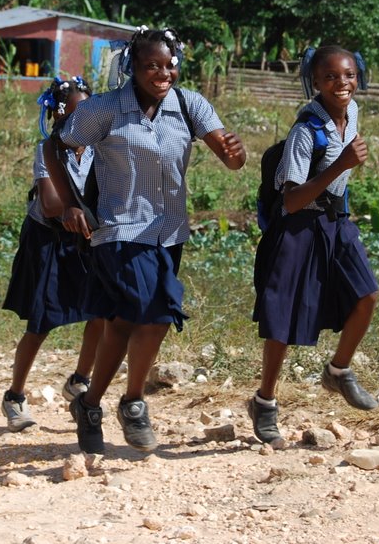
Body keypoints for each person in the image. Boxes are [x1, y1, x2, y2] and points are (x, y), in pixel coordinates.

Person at [47, 27, 246, 453]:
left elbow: (231, 159)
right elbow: (54, 146)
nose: (162, 73)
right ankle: (134, 401)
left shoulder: (190, 105)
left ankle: (91, 403)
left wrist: (236, 152)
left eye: (168, 64)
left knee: (124, 322)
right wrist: (69, 204)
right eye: (151, 65)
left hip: (169, 231)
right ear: (132, 68)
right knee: (155, 312)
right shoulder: (105, 110)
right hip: (119, 229)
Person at [249, 45, 379, 446]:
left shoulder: (352, 113)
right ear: (315, 82)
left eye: (349, 75)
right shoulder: (305, 132)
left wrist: (341, 173)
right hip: (298, 227)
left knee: (367, 296)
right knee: (283, 321)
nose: (341, 84)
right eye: (330, 77)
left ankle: (338, 371)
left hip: (335, 222)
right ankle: (265, 402)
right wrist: (341, 165)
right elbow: (290, 199)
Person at [1, 76, 104, 432]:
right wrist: (69, 213)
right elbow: (49, 203)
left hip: (85, 240)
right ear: (60, 117)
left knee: (100, 313)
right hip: (49, 239)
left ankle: (79, 380)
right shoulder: (49, 149)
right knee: (42, 321)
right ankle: (14, 396)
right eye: (79, 115)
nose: (86, 123)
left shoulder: (97, 149)